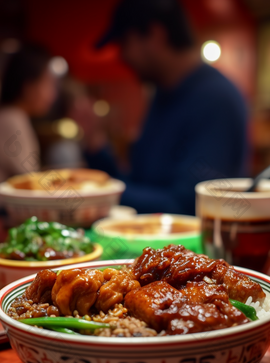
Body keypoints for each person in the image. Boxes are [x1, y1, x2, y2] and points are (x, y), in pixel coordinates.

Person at [81, 0, 249, 215]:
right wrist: (97, 147)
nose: (122, 57)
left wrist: (96, 195)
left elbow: (189, 206)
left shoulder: (216, 99)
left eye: (124, 43)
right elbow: (140, 183)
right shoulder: (163, 94)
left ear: (155, 35)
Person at [0, 44, 57, 212]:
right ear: (28, 87)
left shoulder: (6, 116)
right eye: (48, 83)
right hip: (1, 214)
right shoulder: (11, 120)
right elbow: (33, 181)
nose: (53, 94)